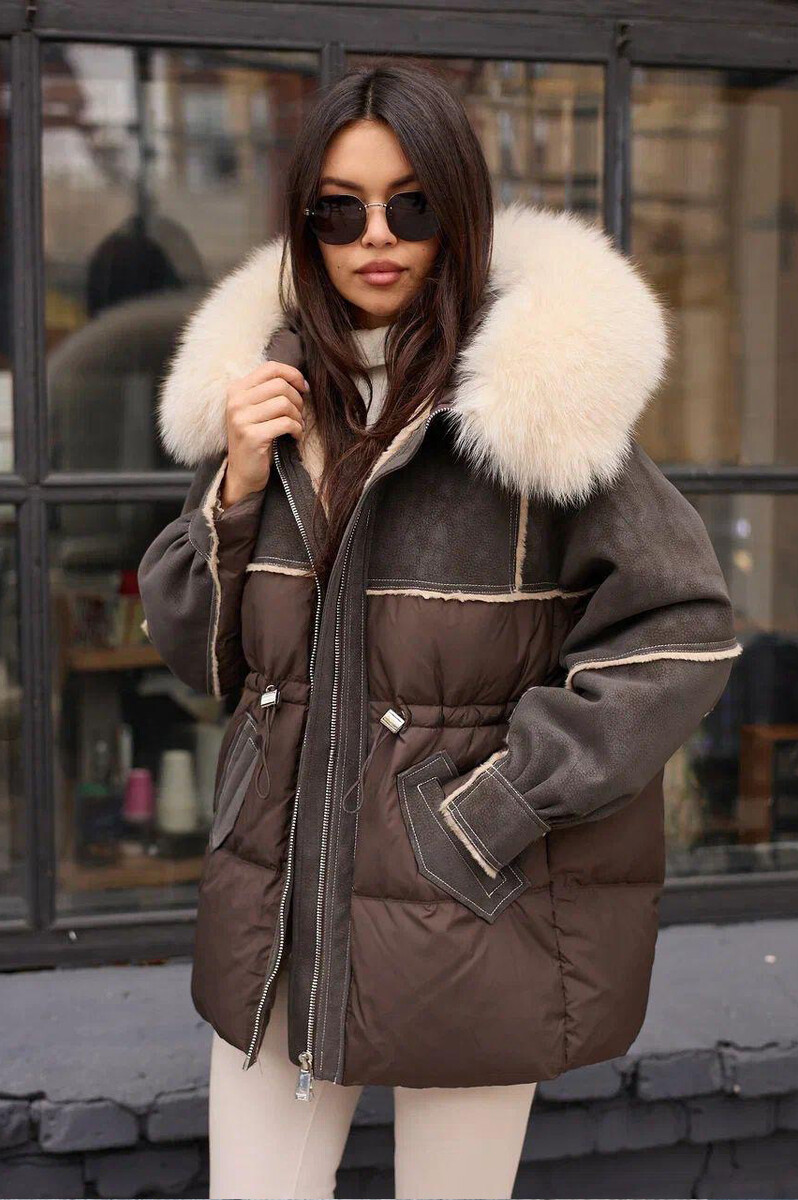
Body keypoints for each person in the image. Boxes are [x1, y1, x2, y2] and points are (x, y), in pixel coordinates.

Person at [138, 61, 742, 1200]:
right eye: (340, 209)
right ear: (304, 226)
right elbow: (194, 651)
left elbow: (681, 632)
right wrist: (237, 482)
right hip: (280, 913)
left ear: (456, 212)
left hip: (470, 910)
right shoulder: (270, 402)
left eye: (410, 205)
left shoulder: (531, 407)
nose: (376, 236)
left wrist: (492, 813)